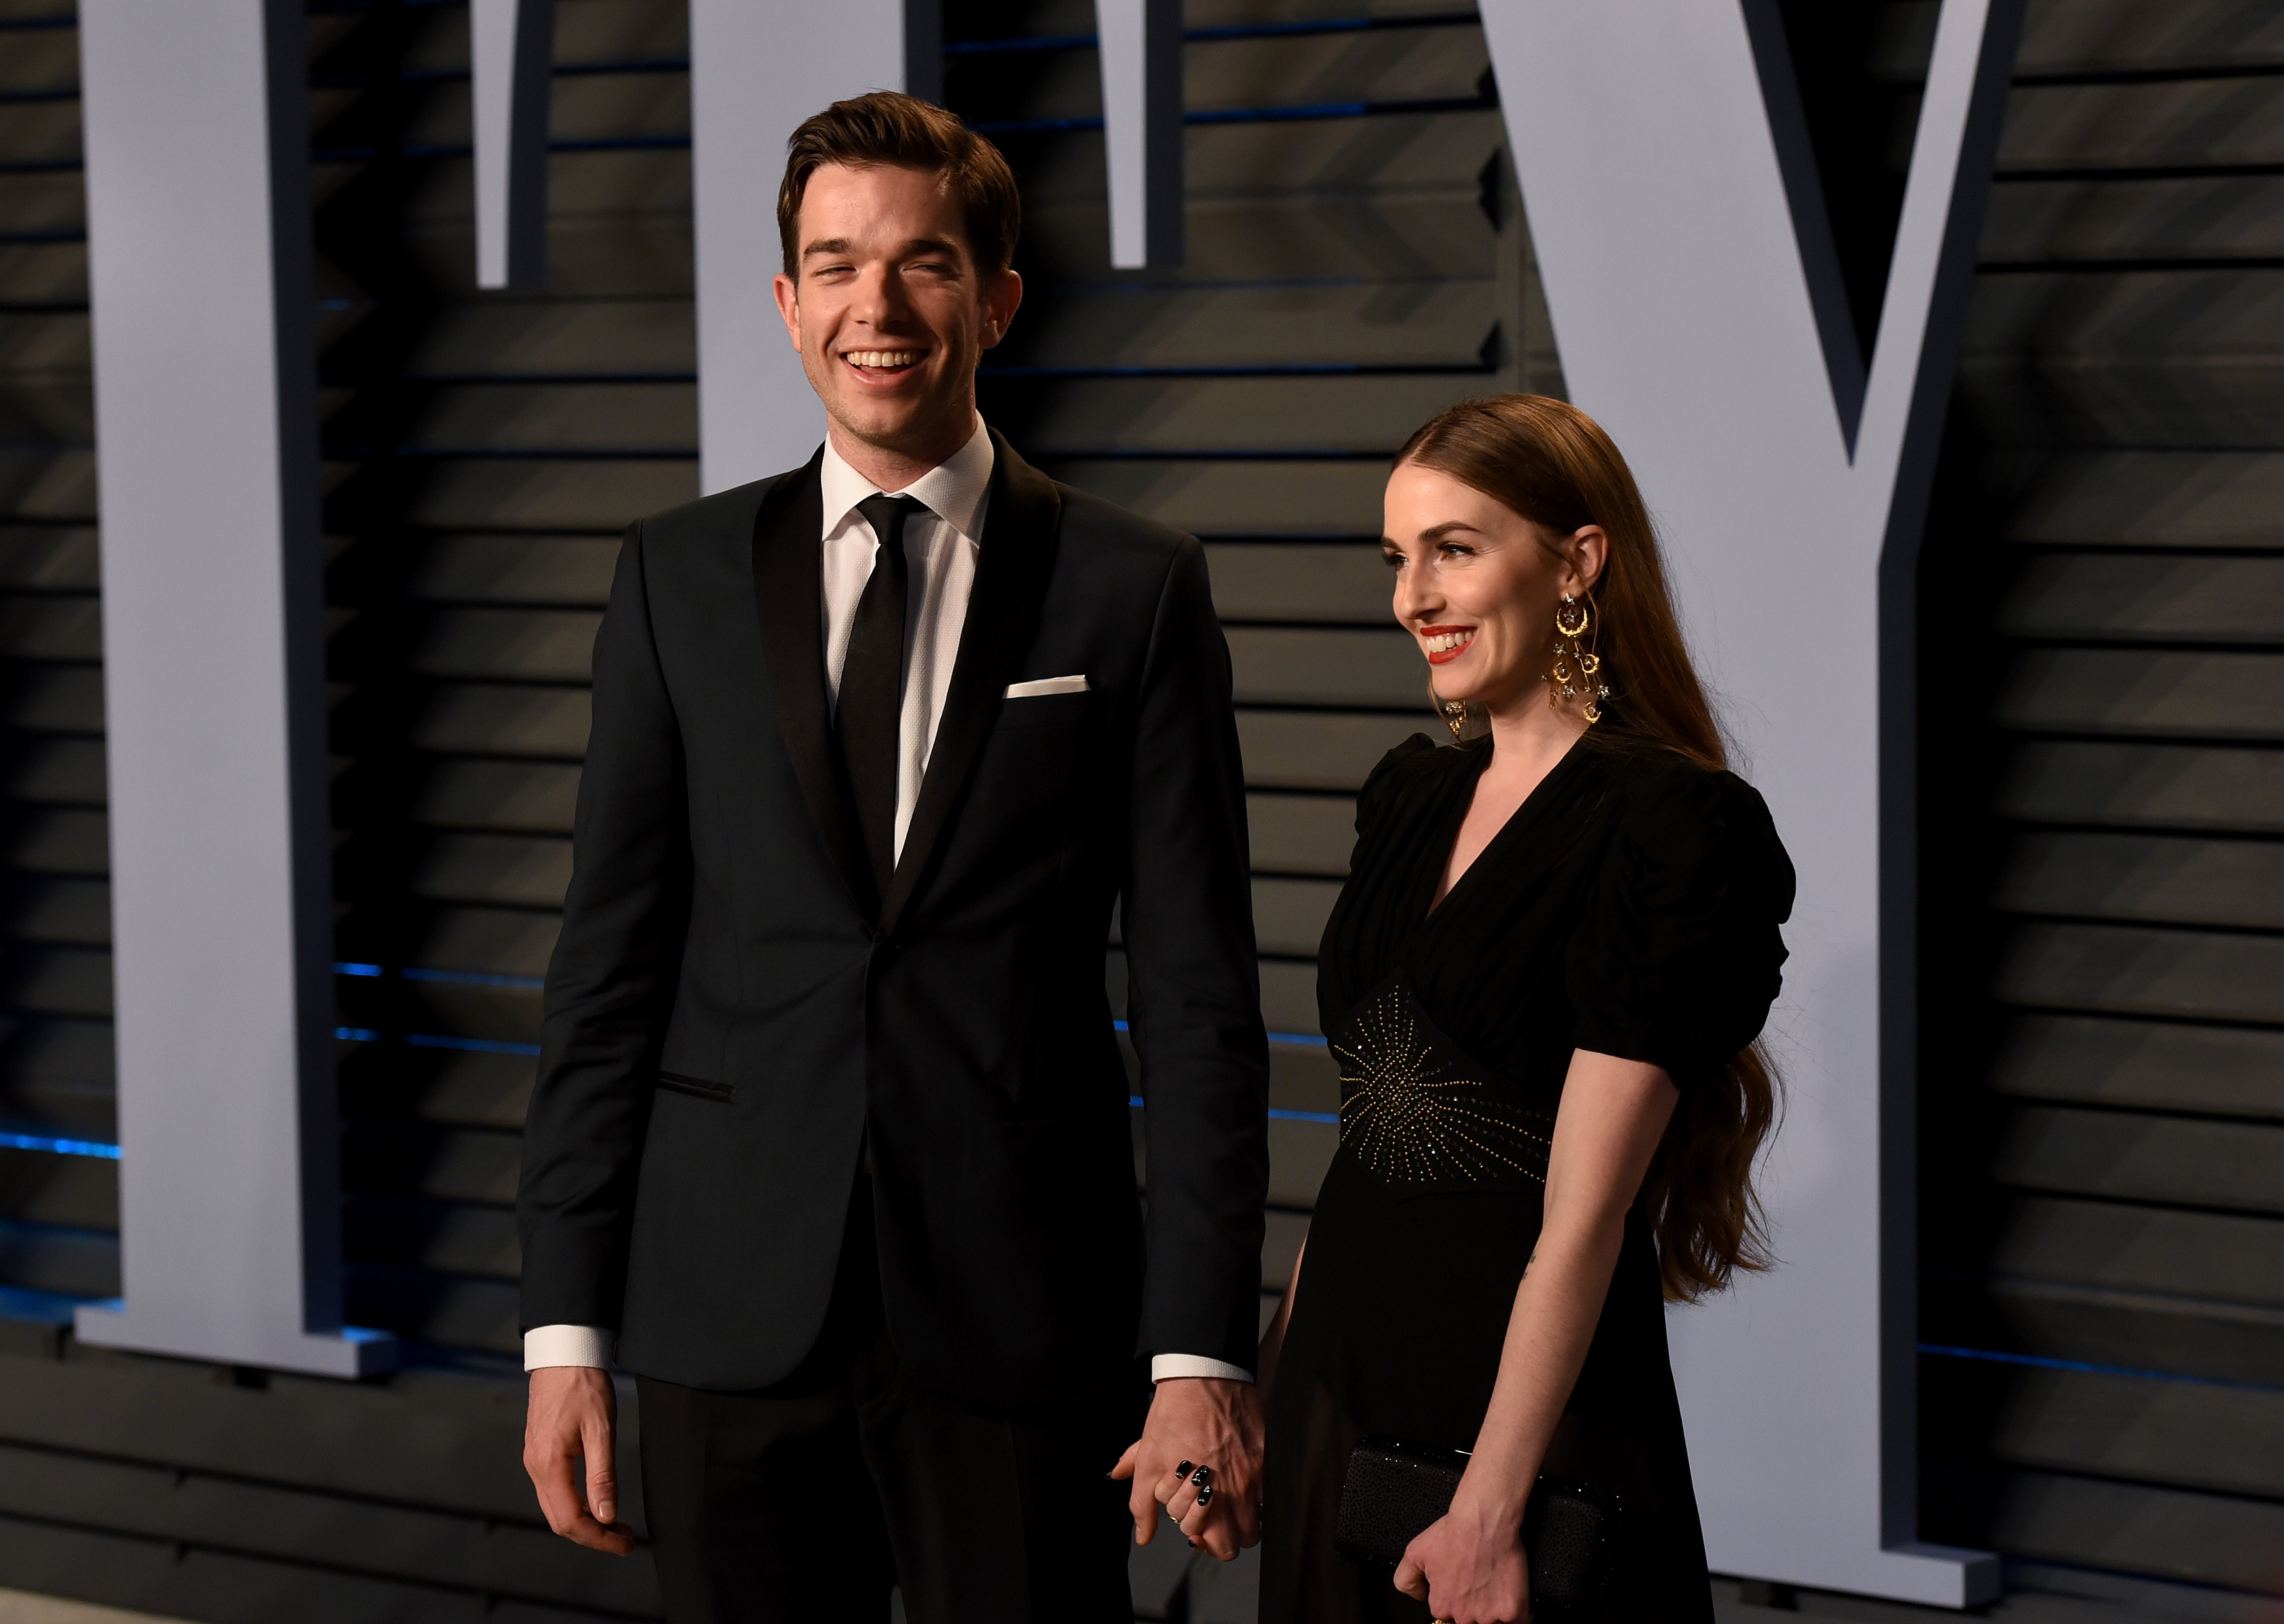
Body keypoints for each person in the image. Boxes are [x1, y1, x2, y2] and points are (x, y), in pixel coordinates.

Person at [513, 92, 1271, 1624]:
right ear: (788, 304)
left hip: (1021, 1315)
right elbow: (608, 969)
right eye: (835, 264)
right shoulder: (674, 579)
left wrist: (1197, 1355)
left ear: (994, 299)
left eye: (922, 265)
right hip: (728, 1308)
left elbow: (1199, 1002)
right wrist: (565, 1336)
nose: (878, 307)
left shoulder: (1135, 588)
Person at [1257, 394, 1796, 1623]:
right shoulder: (1408, 799)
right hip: (1335, 1397)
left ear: (1577, 563)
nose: (1414, 599)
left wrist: (1492, 1510)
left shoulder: (1665, 829)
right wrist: (1266, 1398)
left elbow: (1583, 1222)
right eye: (1400, 559)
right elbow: (1368, 1146)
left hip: (1522, 1448)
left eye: (1455, 549)